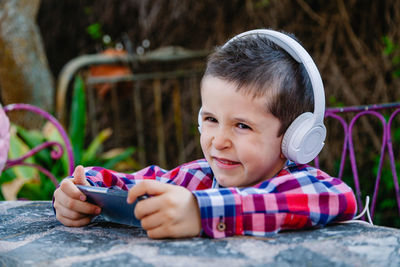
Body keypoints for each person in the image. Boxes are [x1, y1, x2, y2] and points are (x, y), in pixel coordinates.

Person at [53, 29, 357, 239]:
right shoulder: (197, 178)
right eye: (211, 119)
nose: (218, 141)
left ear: (294, 138)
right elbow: (129, 185)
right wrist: (82, 192)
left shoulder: (300, 184)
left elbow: (339, 197)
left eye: (242, 125)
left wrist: (201, 213)